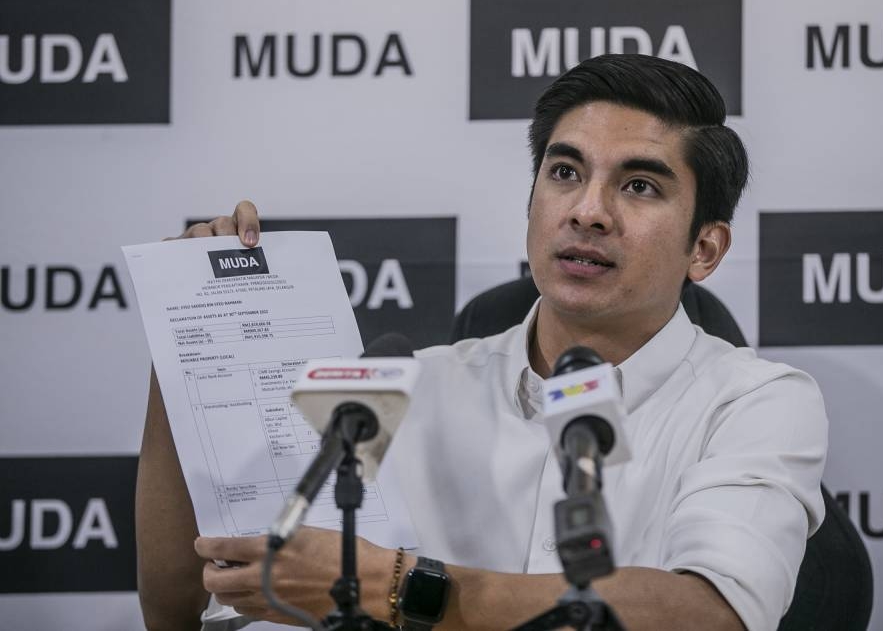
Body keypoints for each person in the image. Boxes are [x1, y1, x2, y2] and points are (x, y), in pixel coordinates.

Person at [136, 54, 827, 631]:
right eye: (564, 173)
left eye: (639, 185)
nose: (588, 211)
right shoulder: (404, 388)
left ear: (704, 248)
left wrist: (403, 588)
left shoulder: (758, 402)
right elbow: (182, 608)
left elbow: (711, 615)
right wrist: (190, 336)